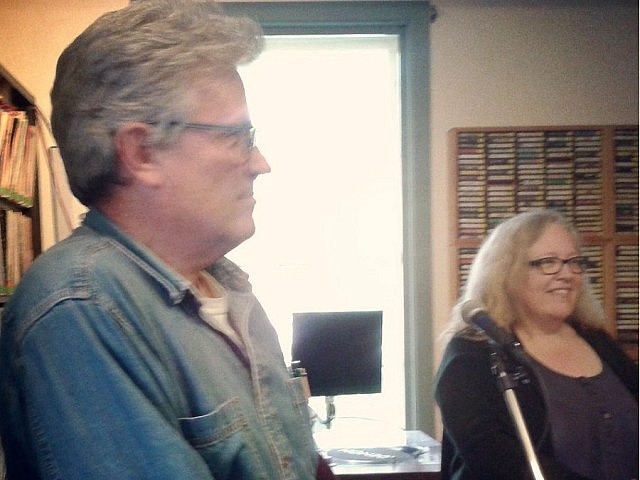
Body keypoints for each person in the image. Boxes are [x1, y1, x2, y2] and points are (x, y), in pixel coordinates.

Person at [0, 1, 335, 479]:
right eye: (238, 136)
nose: (261, 162)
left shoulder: (228, 291)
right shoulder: (83, 305)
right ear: (142, 151)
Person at [435, 209, 638, 480]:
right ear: (505, 272)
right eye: (548, 262)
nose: (566, 274)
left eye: (573, 261)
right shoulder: (471, 355)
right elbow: (496, 461)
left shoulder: (597, 340)